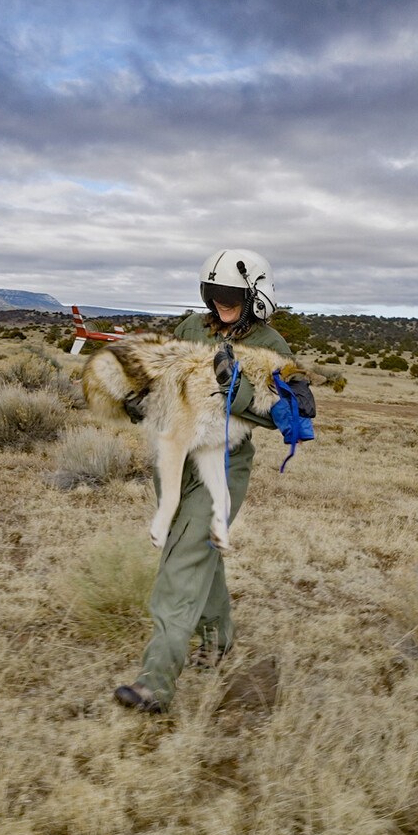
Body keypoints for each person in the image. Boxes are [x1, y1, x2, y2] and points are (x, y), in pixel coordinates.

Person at [114, 248, 301, 713]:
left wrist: (236, 392)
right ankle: (218, 641)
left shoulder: (272, 346)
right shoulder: (191, 329)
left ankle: (155, 680)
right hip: (176, 458)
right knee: (198, 553)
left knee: (181, 562)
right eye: (214, 294)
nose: (221, 303)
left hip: (225, 463)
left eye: (232, 296)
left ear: (256, 297)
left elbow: (281, 415)